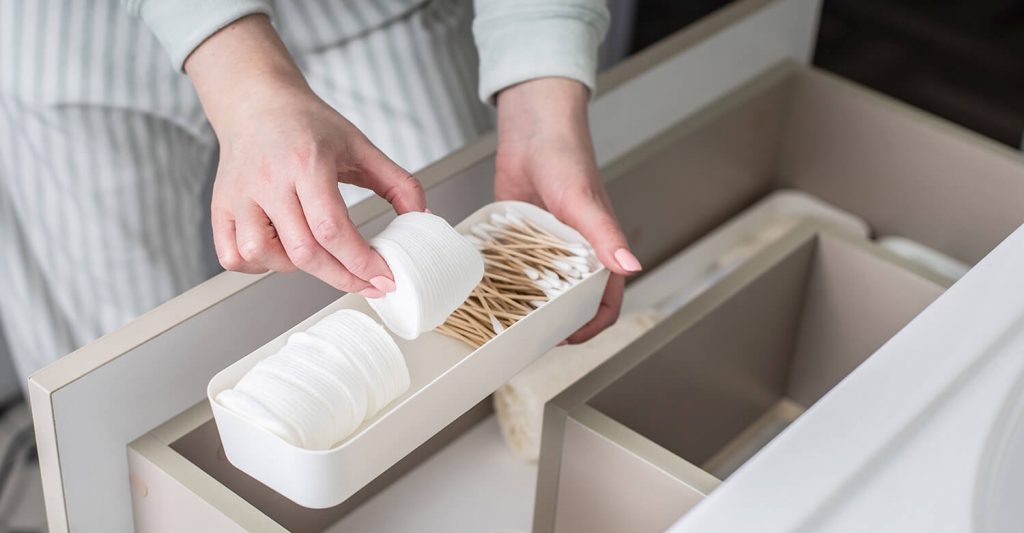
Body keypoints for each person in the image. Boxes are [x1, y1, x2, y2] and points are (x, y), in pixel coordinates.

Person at [0, 0, 640, 388]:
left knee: (460, 327)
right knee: (124, 371)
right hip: (76, 41)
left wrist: (540, 105)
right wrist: (241, 75)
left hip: (357, 15)